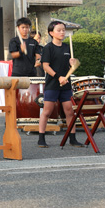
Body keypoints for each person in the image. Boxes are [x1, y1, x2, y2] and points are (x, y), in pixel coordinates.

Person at [38, 20, 83, 148]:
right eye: (59, 30)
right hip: (53, 84)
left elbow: (69, 66)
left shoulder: (67, 47)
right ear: (51, 33)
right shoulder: (48, 48)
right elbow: (45, 66)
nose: (62, 32)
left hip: (66, 84)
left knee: (69, 111)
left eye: (63, 30)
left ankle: (72, 138)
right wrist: (58, 77)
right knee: (47, 111)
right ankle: (41, 138)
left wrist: (72, 63)